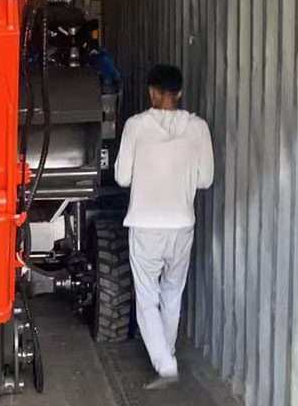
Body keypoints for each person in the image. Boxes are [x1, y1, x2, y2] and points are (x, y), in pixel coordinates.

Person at [114, 64, 214, 390]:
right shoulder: (198, 128)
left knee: (147, 297)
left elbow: (122, 177)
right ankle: (165, 355)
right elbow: (205, 179)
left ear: (151, 92)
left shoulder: (135, 126)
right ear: (179, 92)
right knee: (172, 293)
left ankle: (166, 365)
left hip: (145, 224)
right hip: (182, 223)